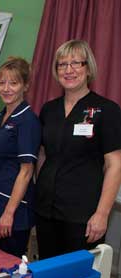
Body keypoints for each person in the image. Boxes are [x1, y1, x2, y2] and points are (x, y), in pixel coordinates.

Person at [36, 40, 121, 259]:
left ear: (88, 68)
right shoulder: (49, 109)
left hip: (82, 215)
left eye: (76, 63)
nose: (69, 70)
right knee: (48, 277)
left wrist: (102, 214)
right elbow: (43, 155)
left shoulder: (106, 110)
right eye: (62, 64)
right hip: (46, 211)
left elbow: (115, 164)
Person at [0, 57, 41, 257]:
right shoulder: (1, 117)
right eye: (2, 83)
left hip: (13, 211)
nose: (6, 88)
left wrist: (9, 213)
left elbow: (26, 172)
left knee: (11, 268)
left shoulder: (27, 121)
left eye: (13, 83)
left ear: (25, 86)